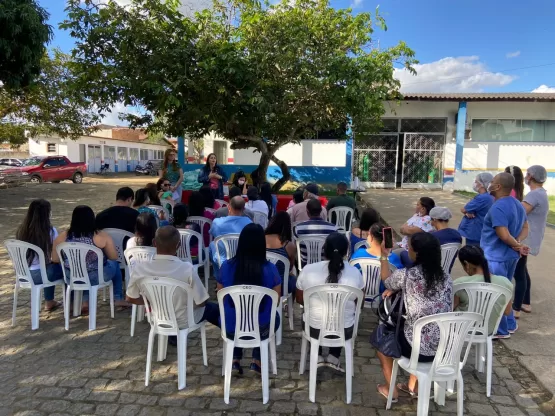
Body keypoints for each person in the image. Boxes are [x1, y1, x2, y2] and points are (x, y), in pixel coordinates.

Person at [377, 232, 453, 401]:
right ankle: (414, 386)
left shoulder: (406, 275)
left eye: (409, 246)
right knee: (422, 328)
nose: (407, 248)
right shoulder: (447, 278)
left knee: (382, 341)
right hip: (445, 349)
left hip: (416, 348)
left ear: (416, 252)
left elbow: (386, 281)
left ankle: (391, 390)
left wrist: (383, 256)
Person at [126, 226, 219, 345]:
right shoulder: (186, 269)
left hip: (158, 318)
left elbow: (130, 298)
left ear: (154, 243)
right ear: (178, 245)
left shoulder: (140, 268)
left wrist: (152, 302)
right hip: (184, 320)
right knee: (213, 309)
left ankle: (173, 336)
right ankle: (232, 342)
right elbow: (201, 302)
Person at [216, 224, 281, 375]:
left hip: (230, 327)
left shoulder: (226, 266)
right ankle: (256, 360)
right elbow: (276, 300)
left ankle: (234, 360)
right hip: (261, 329)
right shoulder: (271, 269)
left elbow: (221, 295)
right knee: (273, 317)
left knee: (235, 315)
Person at [296, 232, 364, 372]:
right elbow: (360, 304)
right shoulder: (355, 273)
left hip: (314, 329)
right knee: (342, 315)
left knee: (312, 313)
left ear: (324, 250)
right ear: (346, 252)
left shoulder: (308, 270)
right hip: (345, 330)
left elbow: (300, 299)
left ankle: (319, 355)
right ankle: (334, 356)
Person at [52, 205, 127, 313]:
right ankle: (118, 297)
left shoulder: (63, 237)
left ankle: (76, 302)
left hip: (72, 276)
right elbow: (113, 257)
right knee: (113, 263)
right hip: (96, 277)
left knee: (76, 268)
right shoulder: (100, 236)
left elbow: (55, 259)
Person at [481, 172, 528, 339]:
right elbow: (525, 228)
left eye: (492, 181)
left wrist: (517, 244)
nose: (490, 184)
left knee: (496, 293)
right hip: (510, 257)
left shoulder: (498, 207)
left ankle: (499, 330)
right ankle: (509, 324)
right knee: (505, 290)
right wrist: (518, 243)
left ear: (498, 186)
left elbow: (503, 234)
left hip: (496, 257)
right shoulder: (517, 204)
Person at [513, 165, 549, 317]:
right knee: (523, 271)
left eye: (527, 174)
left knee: (518, 272)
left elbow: (519, 213)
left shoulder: (534, 195)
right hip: (529, 238)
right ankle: (525, 302)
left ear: (532, 176)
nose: (525, 176)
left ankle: (516, 309)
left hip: (524, 239)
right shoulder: (540, 193)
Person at [15, 199, 64, 311]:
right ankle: (70, 303)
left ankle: (50, 301)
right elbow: (55, 256)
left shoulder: (21, 230)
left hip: (24, 274)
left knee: (49, 267)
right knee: (65, 269)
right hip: (42, 274)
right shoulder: (50, 231)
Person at [454, 246, 513, 334]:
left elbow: (450, 308)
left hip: (461, 330)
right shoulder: (505, 283)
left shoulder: (459, 283)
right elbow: (507, 312)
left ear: (466, 264)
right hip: (487, 331)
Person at [209, 196, 252, 275]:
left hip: (223, 260)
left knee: (212, 244)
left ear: (228, 206)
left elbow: (213, 234)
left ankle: (219, 276)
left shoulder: (217, 222)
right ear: (244, 209)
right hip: (243, 259)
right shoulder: (249, 223)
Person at [294, 199, 337, 268]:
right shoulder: (333, 228)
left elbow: (296, 248)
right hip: (325, 266)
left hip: (305, 266)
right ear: (321, 211)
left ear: (307, 212)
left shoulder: (298, 228)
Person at [265, 212, 297, 297]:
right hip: (282, 286)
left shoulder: (260, 239)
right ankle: (290, 307)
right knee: (294, 279)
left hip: (262, 283)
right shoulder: (289, 246)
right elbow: (289, 267)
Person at [458, 173, 495, 246]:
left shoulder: (483, 198)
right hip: (482, 232)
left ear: (481, 184)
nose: (474, 183)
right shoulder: (488, 196)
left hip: (476, 233)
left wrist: (466, 211)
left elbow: (464, 209)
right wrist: (467, 211)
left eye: (476, 181)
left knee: (474, 254)